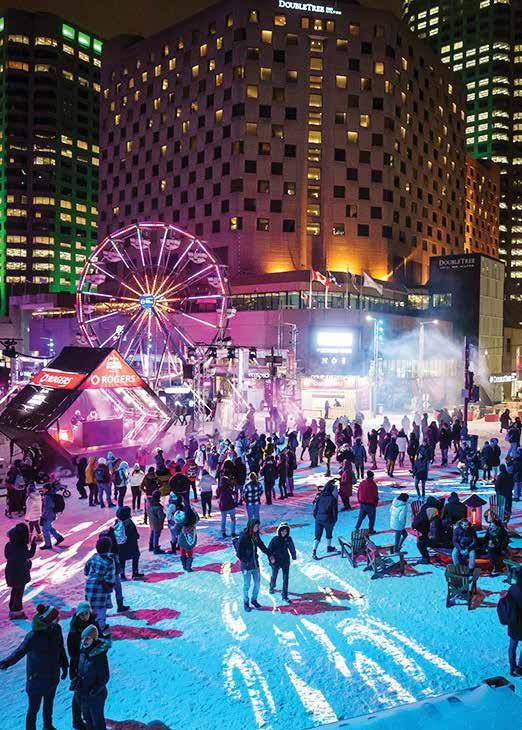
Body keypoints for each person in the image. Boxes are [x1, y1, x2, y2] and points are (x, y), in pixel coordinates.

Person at [0, 603, 68, 730]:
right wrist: (7, 662)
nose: (59, 618)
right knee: (33, 709)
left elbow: (60, 648)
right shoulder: (33, 636)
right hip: (37, 679)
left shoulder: (56, 629)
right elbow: (20, 651)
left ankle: (48, 726)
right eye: (56, 617)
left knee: (49, 705)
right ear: (49, 620)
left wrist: (65, 665)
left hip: (52, 676)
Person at [67, 601, 101, 730]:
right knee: (78, 694)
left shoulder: (94, 623)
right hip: (79, 665)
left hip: (91, 663)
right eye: (82, 614)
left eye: (86, 613)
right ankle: (77, 720)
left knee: (86, 693)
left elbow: (99, 639)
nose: (84, 616)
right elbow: (72, 650)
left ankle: (86, 720)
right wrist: (81, 659)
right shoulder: (75, 629)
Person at [73, 624, 110, 730]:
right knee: (87, 720)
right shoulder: (83, 653)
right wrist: (76, 681)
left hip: (96, 697)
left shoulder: (99, 656)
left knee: (97, 723)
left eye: (87, 638)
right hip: (84, 694)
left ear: (94, 639)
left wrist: (95, 691)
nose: (84, 641)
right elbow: (81, 672)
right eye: (83, 638)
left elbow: (105, 677)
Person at [236, 518, 270, 611]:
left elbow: (261, 546)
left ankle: (254, 600)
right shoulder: (243, 536)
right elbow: (239, 553)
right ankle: (246, 603)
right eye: (256, 526)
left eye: (258, 526)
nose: (258, 528)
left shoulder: (255, 535)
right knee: (247, 585)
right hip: (246, 567)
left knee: (257, 584)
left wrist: (269, 553)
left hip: (255, 565)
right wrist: (246, 561)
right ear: (251, 526)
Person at [84, 536, 116, 632]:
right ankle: (100, 629)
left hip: (89, 586)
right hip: (101, 589)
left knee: (91, 608)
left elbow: (86, 569)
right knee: (101, 610)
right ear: (109, 548)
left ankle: (91, 625)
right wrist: (110, 585)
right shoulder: (110, 562)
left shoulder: (94, 556)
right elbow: (110, 578)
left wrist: (90, 574)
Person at [5, 522, 36, 619]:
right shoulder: (21, 547)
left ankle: (12, 608)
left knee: (15, 590)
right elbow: (29, 555)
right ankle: (16, 611)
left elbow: (7, 555)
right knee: (19, 592)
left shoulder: (9, 544)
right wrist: (33, 545)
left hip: (11, 571)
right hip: (20, 573)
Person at [268, 522, 296, 603]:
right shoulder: (275, 539)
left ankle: (284, 595)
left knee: (285, 578)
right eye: (282, 531)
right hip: (276, 561)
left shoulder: (288, 539)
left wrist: (293, 555)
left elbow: (292, 547)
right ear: (279, 531)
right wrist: (271, 559)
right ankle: (272, 586)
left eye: (286, 531)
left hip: (285, 560)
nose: (284, 532)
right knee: (274, 575)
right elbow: (269, 550)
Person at [312, 480, 339, 559]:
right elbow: (335, 512)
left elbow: (315, 509)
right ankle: (329, 547)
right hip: (328, 519)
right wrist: (334, 520)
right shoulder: (333, 499)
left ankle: (314, 551)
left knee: (317, 536)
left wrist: (316, 517)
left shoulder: (320, 497)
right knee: (329, 534)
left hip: (319, 519)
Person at [115, 506, 144, 579]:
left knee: (122, 559)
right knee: (136, 556)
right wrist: (137, 536)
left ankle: (122, 575)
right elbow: (134, 534)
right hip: (131, 544)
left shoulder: (118, 522)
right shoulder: (129, 522)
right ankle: (135, 573)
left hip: (121, 545)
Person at [504, 572, 522, 675]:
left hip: (513, 622)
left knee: (512, 645)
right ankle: (520, 667)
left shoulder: (513, 588)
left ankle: (512, 667)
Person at [40, 482, 64, 550]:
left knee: (45, 530)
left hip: (48, 515)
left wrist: (43, 516)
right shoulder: (51, 494)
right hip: (52, 514)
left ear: (46, 489)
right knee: (49, 527)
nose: (42, 490)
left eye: (43, 488)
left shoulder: (48, 497)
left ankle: (48, 545)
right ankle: (59, 537)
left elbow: (47, 507)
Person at [217, 471, 237, 538]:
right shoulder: (229, 488)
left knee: (223, 520)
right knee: (233, 519)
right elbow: (233, 493)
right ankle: (233, 532)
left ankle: (223, 532)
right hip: (230, 505)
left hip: (223, 506)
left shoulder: (219, 488)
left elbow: (217, 494)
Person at [178, 507, 199, 572]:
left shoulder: (182, 523)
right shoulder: (193, 523)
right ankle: (188, 567)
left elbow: (176, 524)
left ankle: (184, 566)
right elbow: (197, 518)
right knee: (190, 552)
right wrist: (194, 512)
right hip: (190, 540)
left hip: (182, 539)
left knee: (182, 551)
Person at [147, 490, 165, 554]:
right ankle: (156, 548)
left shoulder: (149, 502)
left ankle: (151, 546)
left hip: (151, 520)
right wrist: (164, 515)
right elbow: (161, 517)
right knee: (156, 535)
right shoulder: (158, 507)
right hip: (157, 523)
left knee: (152, 533)